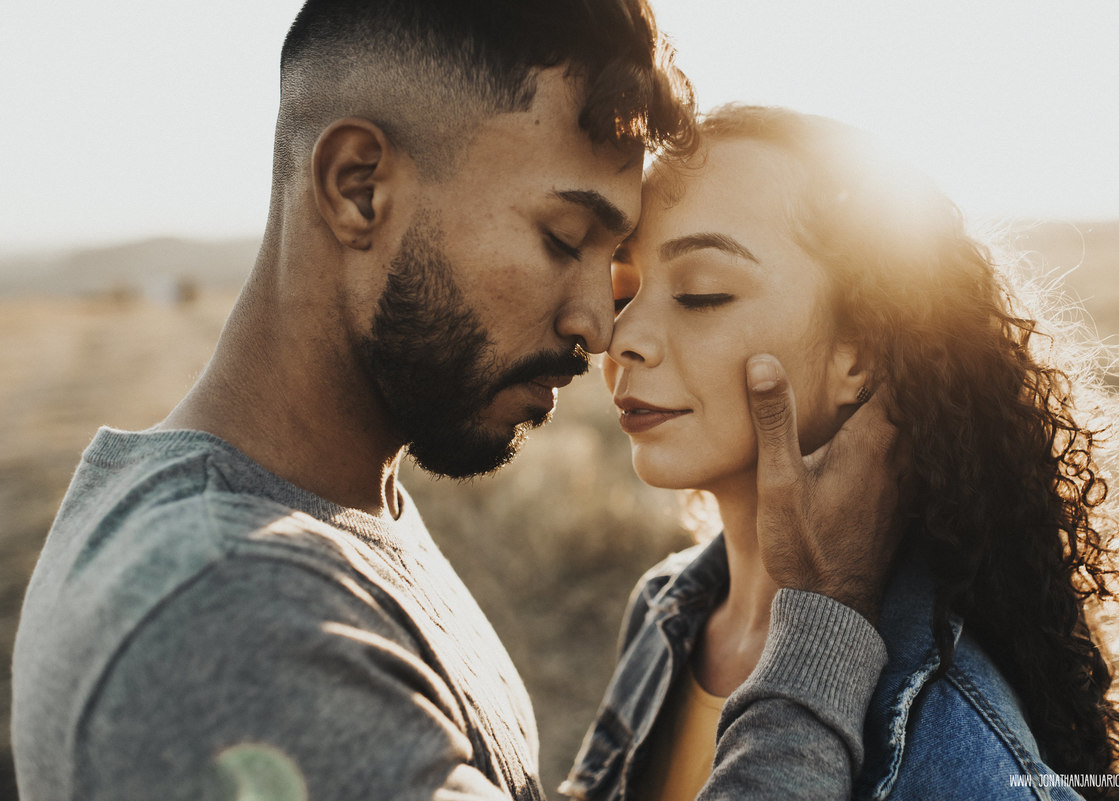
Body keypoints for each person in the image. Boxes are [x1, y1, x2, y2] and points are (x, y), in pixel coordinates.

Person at [11, 5, 903, 800]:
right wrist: (820, 646)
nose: (600, 325)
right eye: (562, 238)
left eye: (616, 266)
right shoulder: (229, 626)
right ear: (359, 186)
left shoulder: (341, 505)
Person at [565, 104, 1119, 801]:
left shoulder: (959, 742)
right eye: (624, 289)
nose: (621, 338)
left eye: (701, 293)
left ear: (857, 354)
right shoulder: (666, 607)